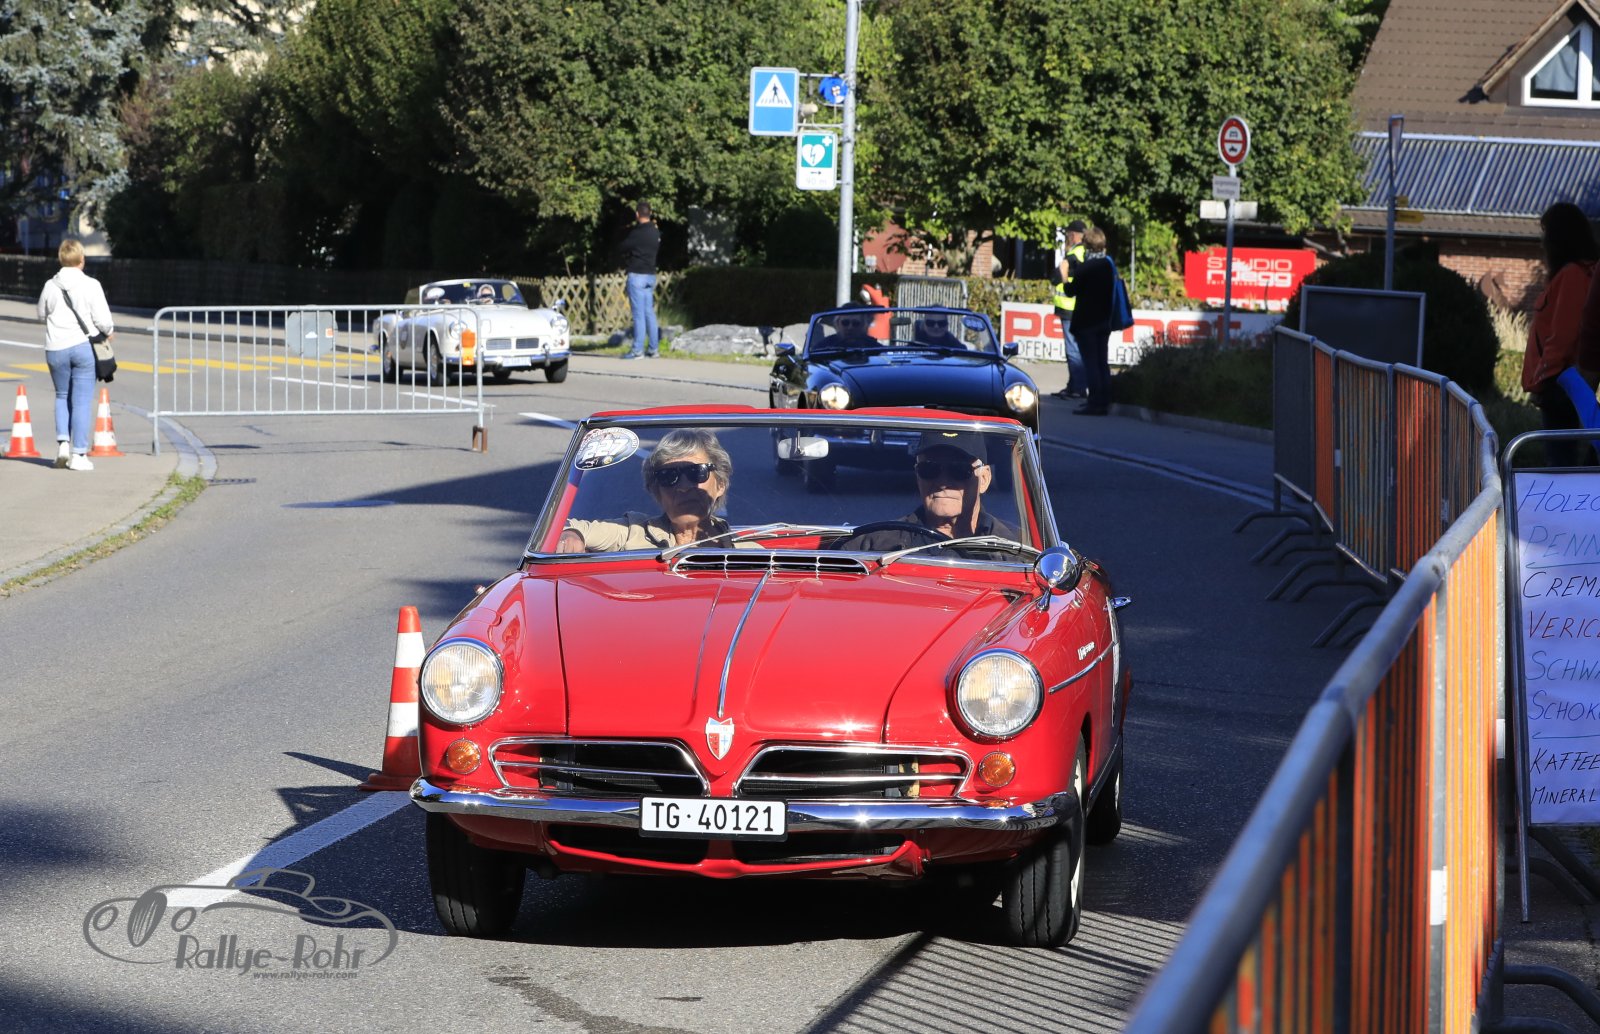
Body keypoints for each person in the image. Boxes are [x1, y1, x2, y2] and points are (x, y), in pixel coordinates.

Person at [557, 429, 733, 551]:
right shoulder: (633, 532)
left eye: (697, 472)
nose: (684, 487)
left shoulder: (744, 546)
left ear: (720, 484)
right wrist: (571, 535)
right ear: (657, 492)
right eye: (668, 476)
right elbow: (562, 528)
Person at [840, 430, 1019, 550]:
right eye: (929, 469)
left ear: (984, 479)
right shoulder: (875, 545)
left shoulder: (1017, 549)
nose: (943, 482)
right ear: (917, 475)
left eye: (959, 470)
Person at [1522, 201, 1598, 467]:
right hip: (1565, 382)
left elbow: (1563, 337)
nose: (1542, 242)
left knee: (1561, 464)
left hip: (1561, 384)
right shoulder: (1578, 273)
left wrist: (1541, 381)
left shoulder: (1572, 275)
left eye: (1546, 234)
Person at [37, 238, 113, 471]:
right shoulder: (91, 284)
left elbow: (41, 314)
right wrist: (109, 331)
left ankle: (62, 444)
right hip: (82, 347)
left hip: (56, 348)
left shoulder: (50, 285)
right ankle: (79, 454)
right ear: (82, 260)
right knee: (81, 401)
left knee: (62, 395)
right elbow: (103, 320)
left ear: (61, 259)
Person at [1061, 226, 1115, 416]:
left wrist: (1064, 277)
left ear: (1087, 245)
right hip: (1103, 321)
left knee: (1091, 363)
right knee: (1102, 362)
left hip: (1086, 323)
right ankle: (1105, 400)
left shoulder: (1086, 267)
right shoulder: (1108, 265)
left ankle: (1094, 403)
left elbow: (1070, 291)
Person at [1050, 220, 1089, 399]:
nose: (1067, 238)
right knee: (1076, 349)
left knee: (1073, 350)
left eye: (1068, 235)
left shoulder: (1076, 253)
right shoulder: (1084, 252)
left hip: (1070, 307)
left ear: (1073, 235)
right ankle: (1073, 385)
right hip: (1077, 308)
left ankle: (1078, 388)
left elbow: (1060, 271)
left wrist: (1063, 280)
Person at [620, 201, 661, 359]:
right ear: (649, 213)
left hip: (637, 275)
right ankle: (653, 348)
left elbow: (624, 247)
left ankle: (637, 350)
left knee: (638, 315)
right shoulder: (655, 232)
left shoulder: (637, 232)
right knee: (649, 313)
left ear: (637, 214)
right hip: (650, 275)